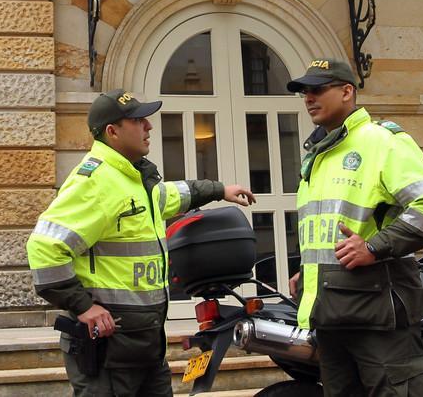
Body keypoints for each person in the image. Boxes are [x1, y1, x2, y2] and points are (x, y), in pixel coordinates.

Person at [26, 88, 256, 397]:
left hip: (145, 348)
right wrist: (83, 307)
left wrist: (219, 189)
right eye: (138, 121)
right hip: (108, 352)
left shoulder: (135, 180)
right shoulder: (95, 182)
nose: (149, 127)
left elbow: (173, 195)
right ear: (112, 131)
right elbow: (44, 248)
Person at [286, 57, 423, 397]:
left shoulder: (380, 140)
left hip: (377, 315)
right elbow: (330, 229)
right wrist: (308, 272)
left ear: (347, 91)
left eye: (317, 89)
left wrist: (374, 248)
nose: (308, 98)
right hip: (330, 315)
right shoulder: (318, 155)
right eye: (304, 92)